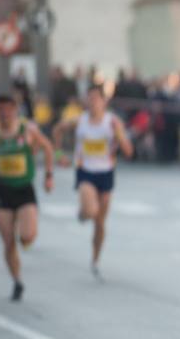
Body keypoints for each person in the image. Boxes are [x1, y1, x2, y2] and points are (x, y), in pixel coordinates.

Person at [0, 94, 55, 301]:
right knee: (8, 242)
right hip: (3, 191)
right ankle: (17, 280)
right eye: (1, 110)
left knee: (27, 236)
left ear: (15, 110)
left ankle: (25, 236)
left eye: (8, 109)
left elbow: (48, 148)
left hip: (24, 189)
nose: (5, 114)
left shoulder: (28, 129)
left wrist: (49, 176)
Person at [54, 85, 133, 276]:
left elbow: (129, 152)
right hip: (85, 171)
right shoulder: (79, 121)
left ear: (104, 101)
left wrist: (119, 135)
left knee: (100, 222)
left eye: (97, 98)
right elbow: (57, 129)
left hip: (105, 173)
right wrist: (58, 154)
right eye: (90, 99)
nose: (93, 102)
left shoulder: (112, 122)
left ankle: (95, 258)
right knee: (91, 211)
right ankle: (83, 213)